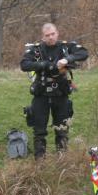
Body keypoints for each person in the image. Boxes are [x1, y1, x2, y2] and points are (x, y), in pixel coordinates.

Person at [20, 23, 88, 157]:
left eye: (53, 34)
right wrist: (45, 65)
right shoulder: (36, 50)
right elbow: (24, 64)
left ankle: (61, 159)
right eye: (47, 35)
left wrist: (67, 59)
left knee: (62, 129)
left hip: (60, 93)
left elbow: (83, 52)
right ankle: (40, 162)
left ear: (57, 33)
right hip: (41, 94)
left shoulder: (65, 47)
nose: (51, 37)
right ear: (43, 37)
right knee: (39, 131)